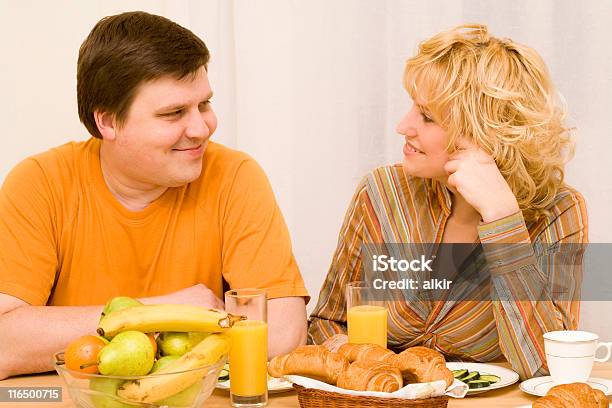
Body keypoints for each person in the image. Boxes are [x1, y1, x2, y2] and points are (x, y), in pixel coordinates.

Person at [0, 11, 308, 379]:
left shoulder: (235, 176)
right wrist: (164, 311)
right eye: (174, 112)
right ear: (108, 121)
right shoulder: (40, 183)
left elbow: (285, 335)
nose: (201, 128)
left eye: (204, 104)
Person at [307, 24, 587, 380]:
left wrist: (503, 219)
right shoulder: (380, 193)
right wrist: (353, 357)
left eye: (427, 116)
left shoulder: (559, 211)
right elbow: (328, 321)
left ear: (485, 132)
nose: (403, 125)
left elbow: (547, 368)